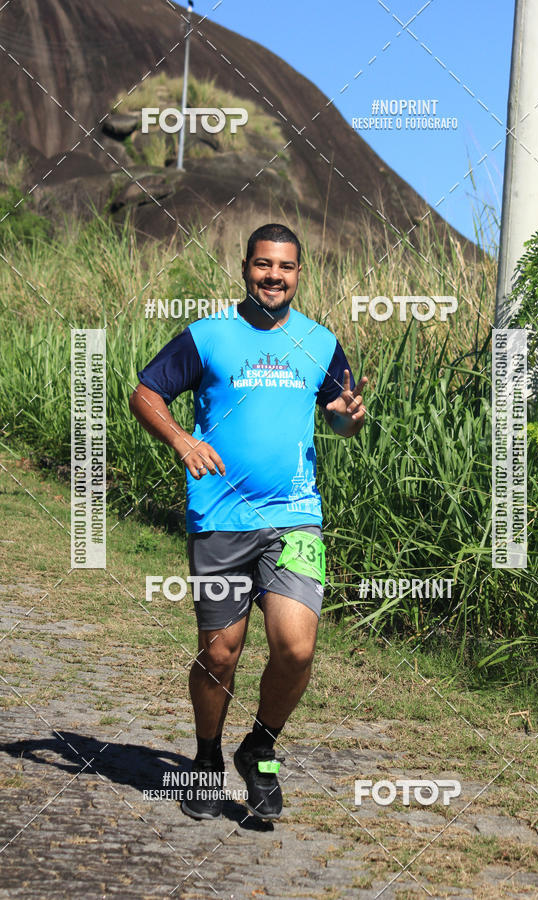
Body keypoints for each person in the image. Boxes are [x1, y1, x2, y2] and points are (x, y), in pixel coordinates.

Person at [129, 223, 367, 822]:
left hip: (294, 518)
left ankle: (259, 747)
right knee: (221, 652)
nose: (274, 276)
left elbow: (341, 420)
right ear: (245, 267)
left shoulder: (320, 342)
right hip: (220, 518)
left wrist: (347, 419)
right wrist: (182, 439)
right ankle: (207, 759)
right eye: (264, 265)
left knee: (296, 647)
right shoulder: (207, 336)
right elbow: (145, 394)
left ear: (299, 273)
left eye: (285, 268)